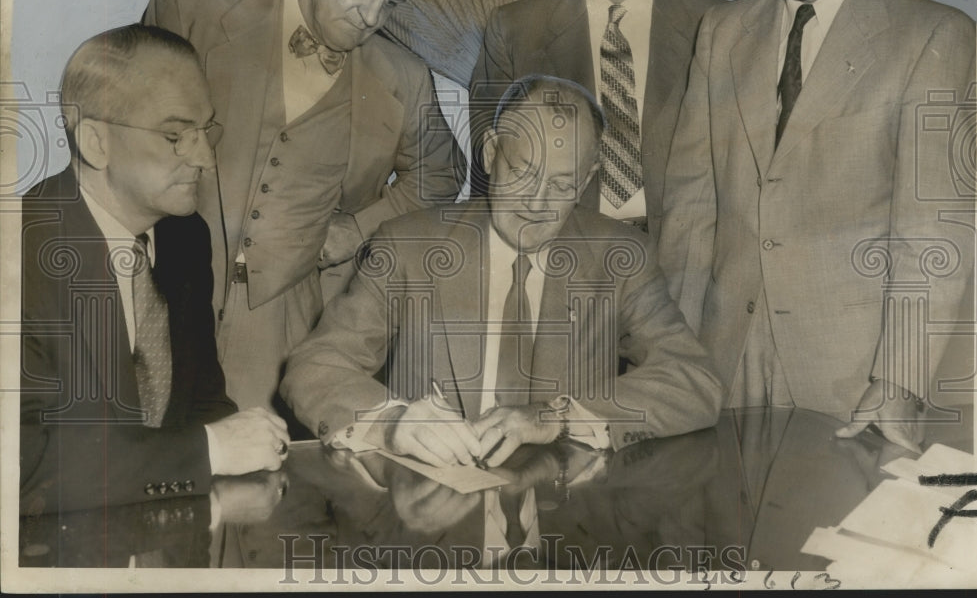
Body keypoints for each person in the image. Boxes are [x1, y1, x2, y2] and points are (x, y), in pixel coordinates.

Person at [659, 0, 975, 449]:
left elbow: (931, 235)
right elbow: (690, 213)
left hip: (852, 380)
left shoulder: (933, 38)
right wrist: (672, 355)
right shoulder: (722, 33)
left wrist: (899, 382)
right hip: (719, 364)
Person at [281, 75, 722, 468]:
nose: (536, 203)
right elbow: (315, 367)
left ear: (587, 181)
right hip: (430, 521)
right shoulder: (406, 247)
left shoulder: (621, 257)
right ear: (492, 153)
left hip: (566, 528)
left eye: (562, 185)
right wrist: (391, 423)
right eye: (523, 173)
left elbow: (693, 381)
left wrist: (557, 418)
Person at [142, 0, 465, 418]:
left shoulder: (404, 79)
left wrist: (354, 232)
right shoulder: (190, 7)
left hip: (282, 337)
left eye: (392, 2)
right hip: (163, 303)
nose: (372, 16)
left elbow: (440, 177)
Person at [20, 25, 290, 516]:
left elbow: (204, 401)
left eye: (205, 132)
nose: (205, 159)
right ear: (95, 143)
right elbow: (22, 466)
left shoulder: (185, 238)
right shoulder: (18, 254)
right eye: (174, 136)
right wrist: (209, 450)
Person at [471, 0, 722, 243]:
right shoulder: (515, 30)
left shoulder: (718, 25)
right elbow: (488, 188)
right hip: (558, 263)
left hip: (684, 266)